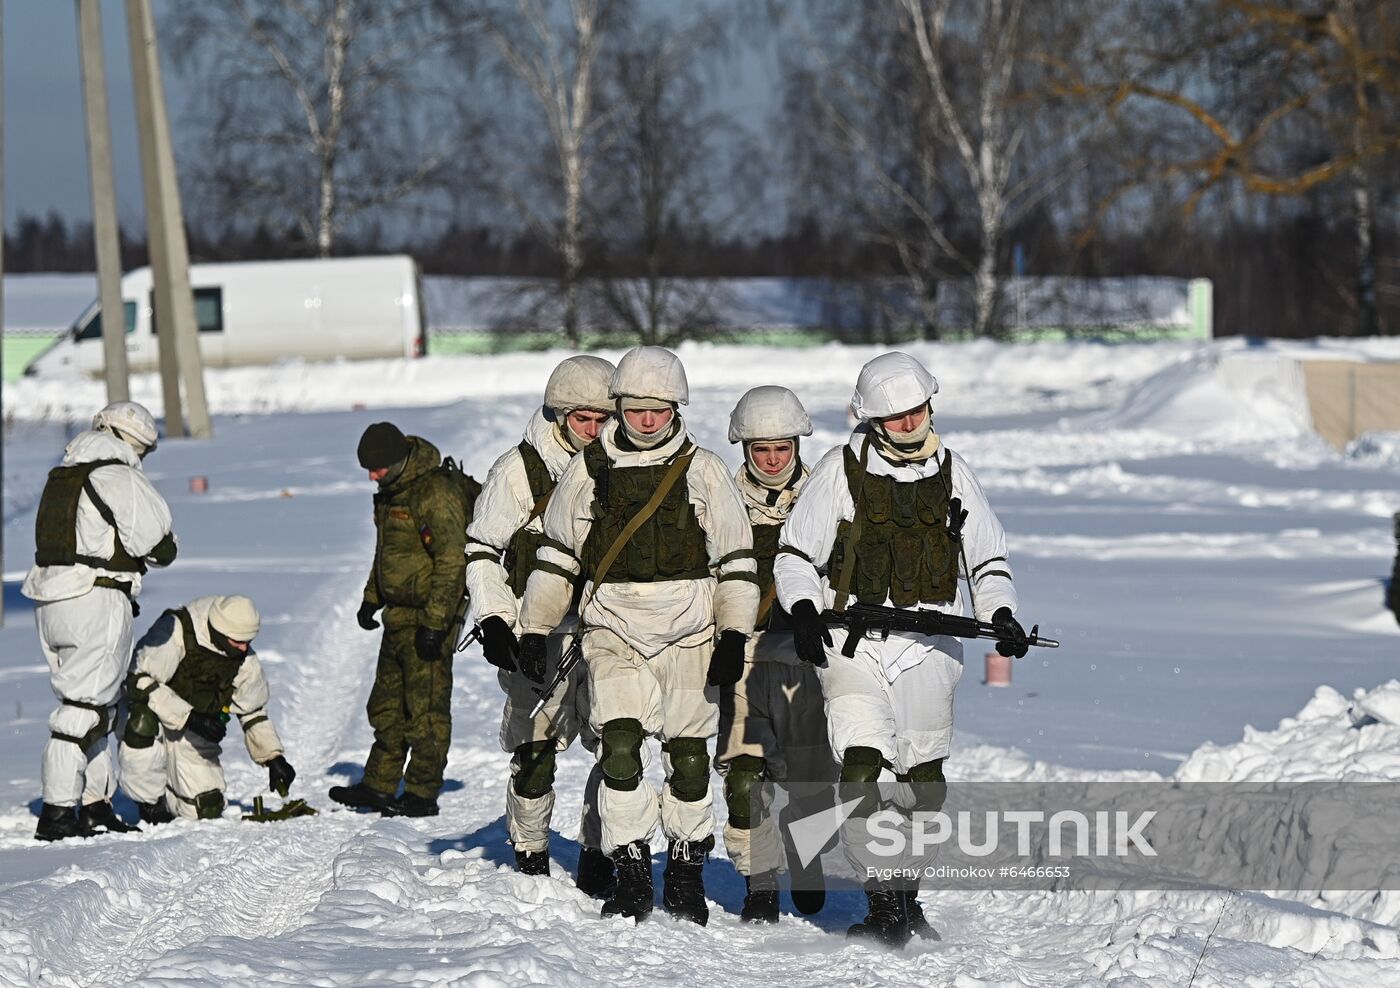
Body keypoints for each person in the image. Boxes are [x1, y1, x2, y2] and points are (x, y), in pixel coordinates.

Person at [773, 351, 1024, 947]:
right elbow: (796, 556)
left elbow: (987, 560)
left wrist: (1001, 614)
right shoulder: (839, 470)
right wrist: (804, 610)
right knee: (863, 770)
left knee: (923, 783)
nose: (909, 424)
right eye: (895, 417)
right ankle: (883, 902)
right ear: (870, 420)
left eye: (916, 411)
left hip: (931, 643)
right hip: (853, 644)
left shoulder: (955, 473)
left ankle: (906, 896)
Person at [516, 346, 758, 925]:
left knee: (690, 762)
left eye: (660, 409)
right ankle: (629, 873)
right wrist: (534, 627)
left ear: (677, 407)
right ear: (618, 405)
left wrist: (732, 635)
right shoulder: (589, 468)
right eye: (635, 408)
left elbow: (736, 557)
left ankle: (684, 872)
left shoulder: (702, 469)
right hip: (613, 630)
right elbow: (557, 556)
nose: (647, 421)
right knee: (620, 751)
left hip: (689, 632)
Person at [464, 354, 616, 893]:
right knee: (534, 748)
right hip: (536, 636)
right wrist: (497, 621)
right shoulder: (519, 471)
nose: (594, 431)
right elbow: (483, 548)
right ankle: (530, 848)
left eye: (604, 419)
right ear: (559, 416)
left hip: (607, 632)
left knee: (616, 745)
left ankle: (602, 850)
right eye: (583, 420)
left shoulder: (629, 467)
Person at [23, 400, 177, 841]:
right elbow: (161, 547)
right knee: (82, 710)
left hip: (50, 601)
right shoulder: (118, 476)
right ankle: (57, 813)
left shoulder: (61, 478)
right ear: (136, 443)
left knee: (97, 707)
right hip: (97, 599)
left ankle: (94, 804)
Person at [715, 386, 838, 924]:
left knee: (811, 782)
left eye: (781, 449)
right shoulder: (718, 500)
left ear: (797, 446)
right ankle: (759, 882)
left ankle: (806, 862)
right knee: (745, 779)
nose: (771, 460)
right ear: (744, 450)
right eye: (761, 450)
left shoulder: (824, 498)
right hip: (740, 660)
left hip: (804, 660)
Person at [331, 422, 468, 817]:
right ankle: (379, 784)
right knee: (387, 705)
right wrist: (370, 599)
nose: (372, 477)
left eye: (376, 469)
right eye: (367, 471)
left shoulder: (436, 493)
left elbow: (451, 561)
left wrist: (436, 623)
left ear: (398, 460)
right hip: (397, 617)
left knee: (425, 709)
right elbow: (387, 553)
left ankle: (422, 792)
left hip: (429, 617)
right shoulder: (391, 494)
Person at [118, 595, 295, 821]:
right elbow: (139, 681)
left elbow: (253, 711)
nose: (244, 648)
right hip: (154, 721)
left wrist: (273, 758)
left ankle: (171, 791)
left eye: (248, 642)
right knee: (142, 723)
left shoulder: (242, 656)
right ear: (219, 633)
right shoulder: (177, 631)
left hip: (192, 736)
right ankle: (149, 804)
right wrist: (189, 717)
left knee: (206, 809)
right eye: (237, 642)